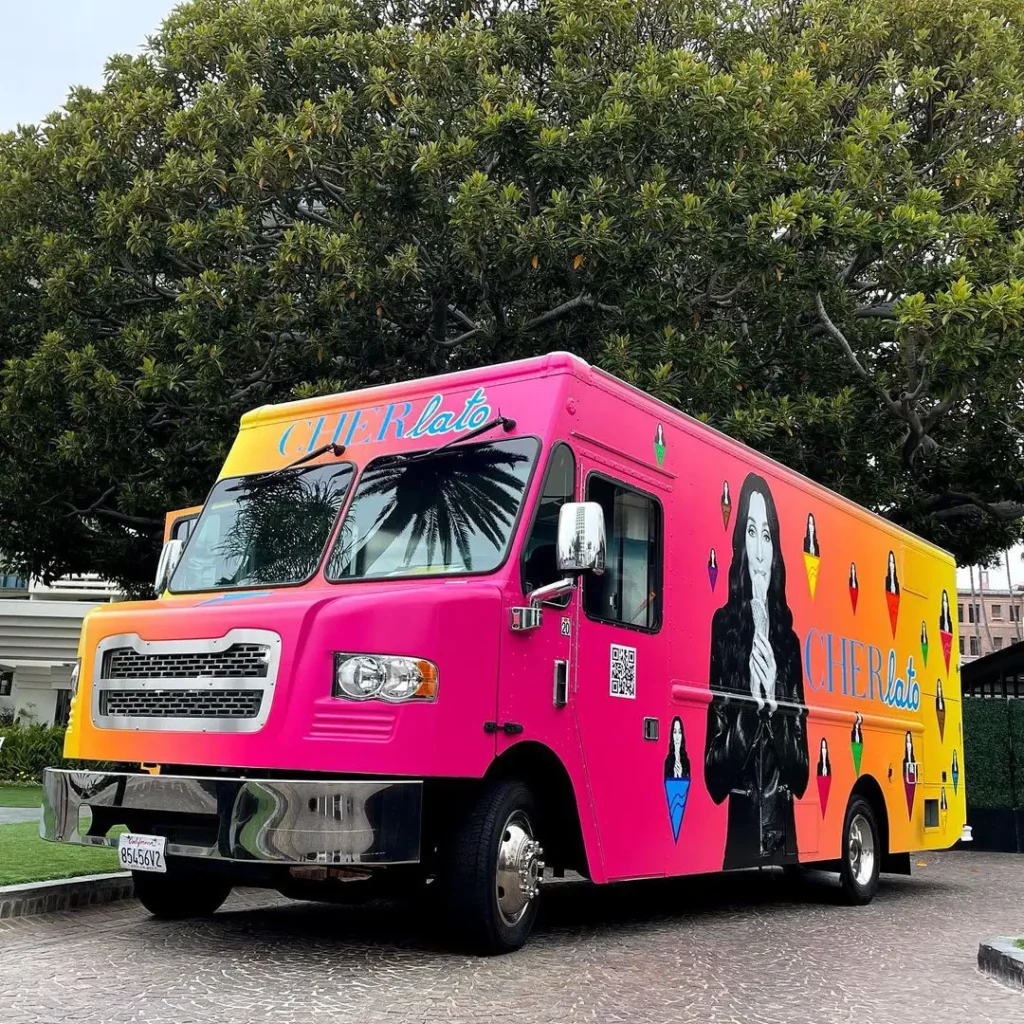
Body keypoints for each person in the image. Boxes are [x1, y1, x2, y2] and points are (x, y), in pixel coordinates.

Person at [704, 472, 809, 869]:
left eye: (767, 535)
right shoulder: (724, 628)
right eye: (751, 532)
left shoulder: (788, 641)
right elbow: (714, 779)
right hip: (740, 838)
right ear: (741, 544)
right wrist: (750, 706)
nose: (761, 551)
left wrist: (775, 703)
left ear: (776, 547)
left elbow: (801, 776)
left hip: (785, 830)